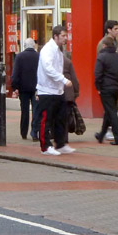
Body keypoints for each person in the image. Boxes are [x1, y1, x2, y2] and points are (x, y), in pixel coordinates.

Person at [36, 25, 74, 155]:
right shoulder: (48, 49)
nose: (65, 38)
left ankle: (60, 143)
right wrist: (63, 80)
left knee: (60, 118)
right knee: (46, 120)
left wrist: (61, 85)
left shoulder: (58, 50)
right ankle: (45, 147)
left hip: (57, 90)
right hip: (47, 91)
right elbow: (48, 68)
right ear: (55, 36)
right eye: (63, 36)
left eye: (66, 35)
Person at [94, 36, 118, 145]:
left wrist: (98, 87)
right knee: (109, 111)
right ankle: (101, 135)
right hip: (116, 88)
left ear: (104, 46)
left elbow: (97, 74)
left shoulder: (101, 57)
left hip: (105, 88)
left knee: (111, 112)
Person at [11, 37, 39, 140]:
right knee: (36, 110)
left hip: (23, 89)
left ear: (24, 46)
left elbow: (15, 74)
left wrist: (15, 87)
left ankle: (23, 132)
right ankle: (34, 132)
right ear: (33, 45)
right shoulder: (38, 56)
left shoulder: (19, 57)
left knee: (25, 111)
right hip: (36, 88)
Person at [62, 55, 81, 144]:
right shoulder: (67, 62)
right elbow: (74, 79)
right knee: (65, 116)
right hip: (67, 94)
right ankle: (65, 138)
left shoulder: (50, 61)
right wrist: (76, 92)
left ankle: (56, 135)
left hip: (56, 93)